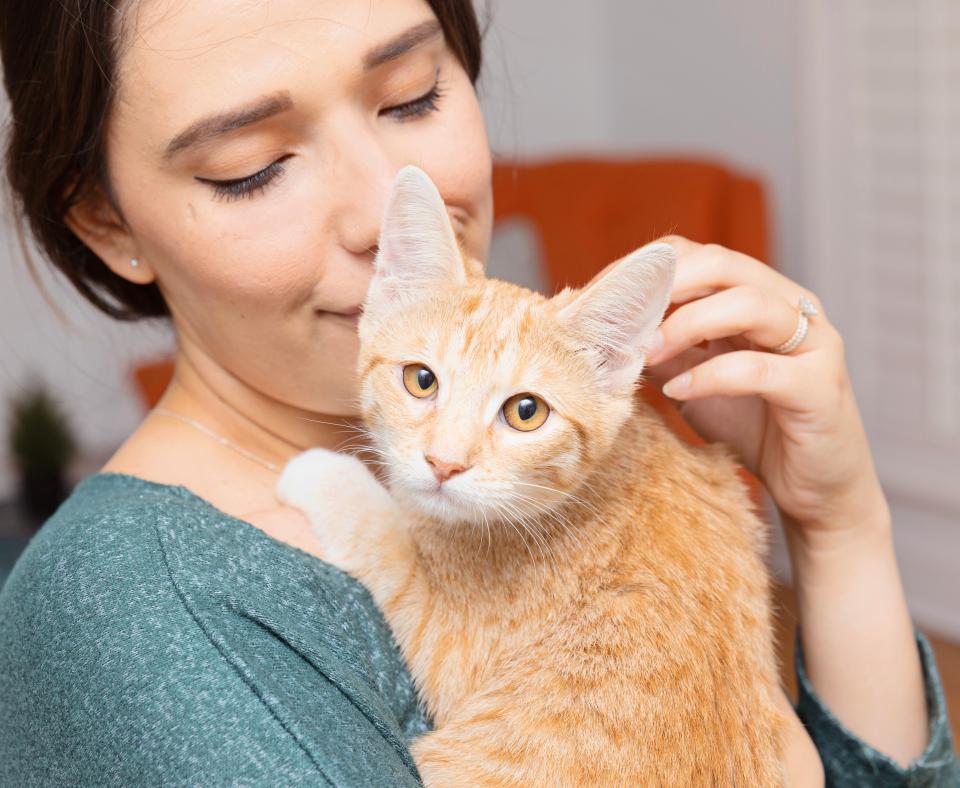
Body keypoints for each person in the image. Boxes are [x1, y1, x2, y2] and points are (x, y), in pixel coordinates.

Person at [0, 0, 955, 784]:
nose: (387, 206)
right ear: (106, 221)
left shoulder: (607, 489)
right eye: (251, 168)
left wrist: (835, 524)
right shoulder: (141, 621)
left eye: (413, 98)